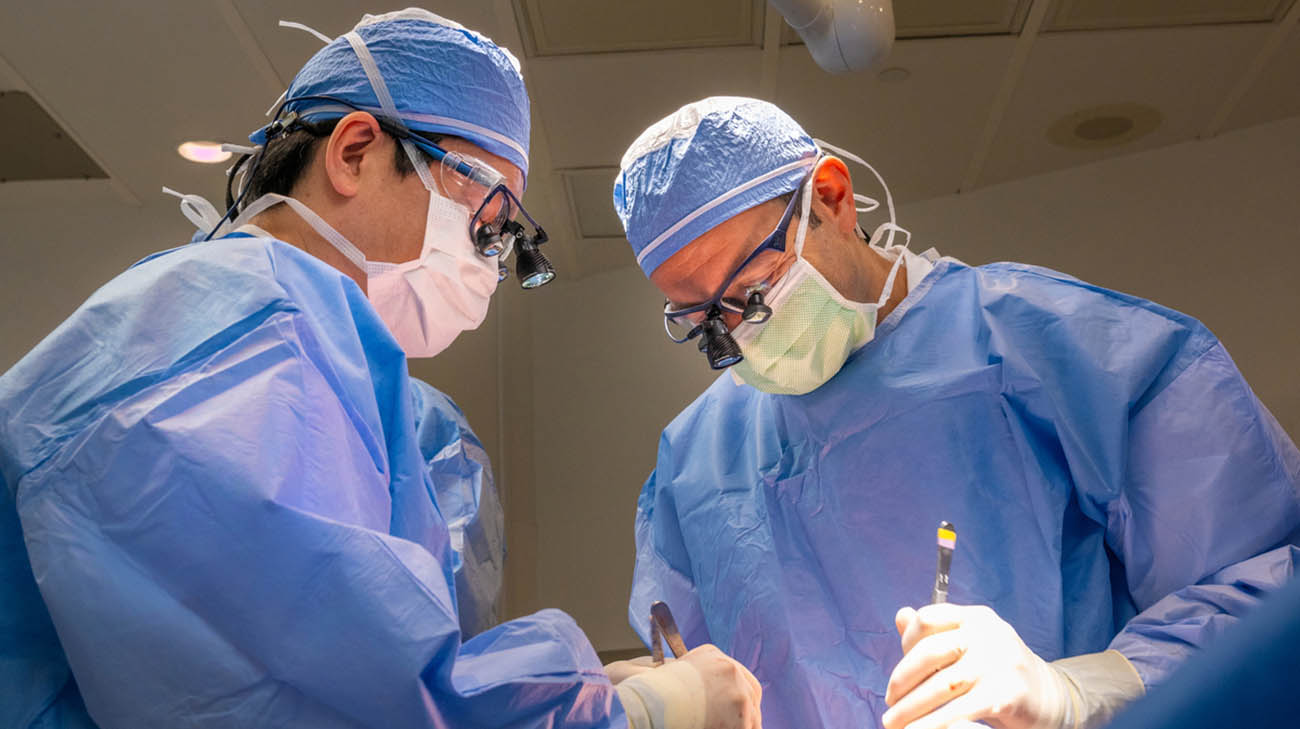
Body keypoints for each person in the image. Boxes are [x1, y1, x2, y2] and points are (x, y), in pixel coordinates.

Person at [0, 12, 760, 729]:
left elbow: (350, 652)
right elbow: (344, 702)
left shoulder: (248, 325)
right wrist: (634, 711)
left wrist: (583, 690)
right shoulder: (244, 334)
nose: (488, 263)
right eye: (486, 219)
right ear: (354, 151)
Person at [611, 96, 1300, 729]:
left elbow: (1265, 587)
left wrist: (1076, 690)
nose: (741, 332)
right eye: (704, 319)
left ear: (831, 197)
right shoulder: (695, 466)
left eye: (755, 292)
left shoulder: (1049, 348)